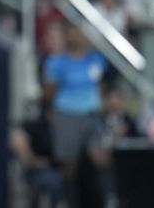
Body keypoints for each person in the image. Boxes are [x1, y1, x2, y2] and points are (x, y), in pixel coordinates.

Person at [42, 21, 107, 208]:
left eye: (80, 33)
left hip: (92, 115)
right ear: (67, 36)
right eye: (73, 33)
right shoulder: (56, 62)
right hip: (67, 114)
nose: (77, 37)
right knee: (69, 163)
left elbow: (100, 85)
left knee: (99, 157)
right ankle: (66, 201)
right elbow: (49, 92)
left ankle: (105, 199)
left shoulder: (95, 59)